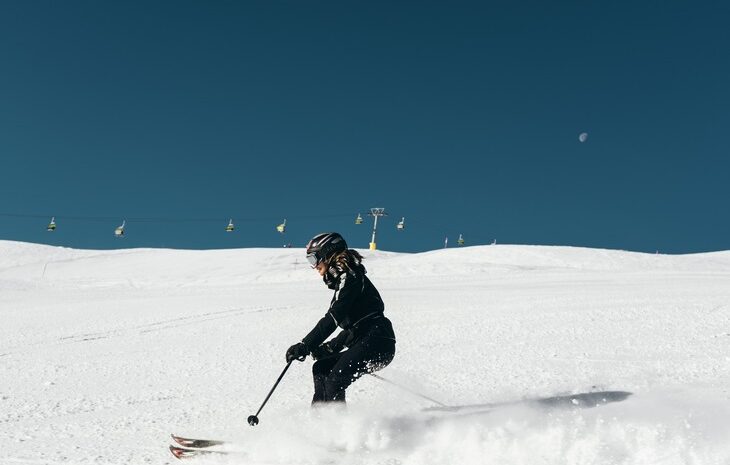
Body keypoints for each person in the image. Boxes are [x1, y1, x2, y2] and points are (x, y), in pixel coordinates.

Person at [286, 232, 396, 404]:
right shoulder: (346, 279)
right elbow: (355, 327)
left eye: (314, 259)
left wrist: (306, 344)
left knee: (335, 380)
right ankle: (319, 423)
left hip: (377, 341)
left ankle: (337, 426)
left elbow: (334, 317)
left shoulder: (350, 277)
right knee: (322, 368)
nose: (314, 266)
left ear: (328, 253)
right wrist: (329, 348)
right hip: (368, 339)